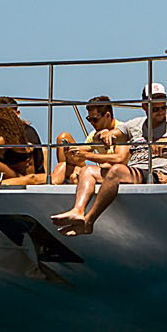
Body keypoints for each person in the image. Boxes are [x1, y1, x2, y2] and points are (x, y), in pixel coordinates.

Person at [50, 97, 132, 233]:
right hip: (102, 174)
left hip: (119, 175)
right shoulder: (95, 134)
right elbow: (85, 150)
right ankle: (55, 196)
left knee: (89, 170)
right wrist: (71, 150)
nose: (92, 123)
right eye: (89, 120)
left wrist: (87, 156)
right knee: (63, 165)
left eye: (95, 119)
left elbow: (120, 160)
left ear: (107, 115)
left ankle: (77, 209)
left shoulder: (121, 131)